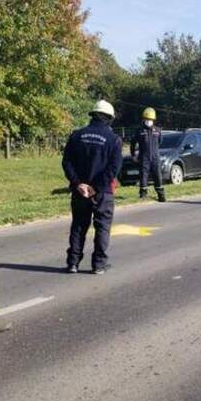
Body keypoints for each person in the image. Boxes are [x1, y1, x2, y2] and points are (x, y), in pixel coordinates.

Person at [62, 100, 123, 274]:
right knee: (102, 227)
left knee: (79, 226)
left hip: (80, 191)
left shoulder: (76, 135)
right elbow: (113, 168)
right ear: (109, 118)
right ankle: (99, 265)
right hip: (103, 192)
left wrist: (78, 183)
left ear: (92, 115)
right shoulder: (114, 140)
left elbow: (67, 162)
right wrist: (96, 187)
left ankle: (73, 263)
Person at [130, 107, 166, 202]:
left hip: (155, 157)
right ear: (143, 119)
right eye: (147, 119)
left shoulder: (157, 130)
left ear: (153, 120)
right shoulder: (139, 131)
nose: (148, 121)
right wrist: (133, 155)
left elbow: (160, 142)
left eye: (150, 119)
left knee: (157, 176)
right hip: (144, 157)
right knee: (143, 176)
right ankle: (143, 195)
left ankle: (161, 195)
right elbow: (133, 143)